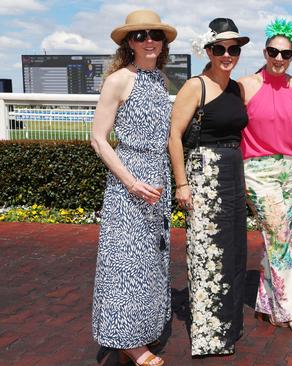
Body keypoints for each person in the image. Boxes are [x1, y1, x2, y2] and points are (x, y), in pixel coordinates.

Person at [90, 9, 177, 366]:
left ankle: (142, 326)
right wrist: (130, 181)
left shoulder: (160, 79)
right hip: (130, 181)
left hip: (158, 178)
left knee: (151, 259)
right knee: (124, 262)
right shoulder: (118, 80)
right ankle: (126, 340)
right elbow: (98, 138)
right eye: (140, 36)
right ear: (128, 42)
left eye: (154, 34)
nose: (149, 41)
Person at [167, 18, 249, 356]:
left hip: (233, 170)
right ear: (209, 51)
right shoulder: (195, 86)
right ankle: (208, 336)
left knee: (233, 253)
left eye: (233, 49)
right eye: (220, 49)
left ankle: (228, 326)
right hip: (203, 174)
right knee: (206, 254)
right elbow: (174, 135)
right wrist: (181, 183)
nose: (227, 54)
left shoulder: (237, 88)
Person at [238, 19, 292, 332]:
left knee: (279, 240)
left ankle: (267, 304)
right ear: (264, 52)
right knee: (278, 238)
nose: (279, 58)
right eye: (273, 51)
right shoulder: (246, 85)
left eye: (286, 54)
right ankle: (290, 308)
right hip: (258, 170)